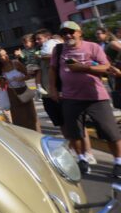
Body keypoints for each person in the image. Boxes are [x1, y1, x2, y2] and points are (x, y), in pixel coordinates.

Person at [50, 21, 121, 177]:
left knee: (110, 132)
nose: (68, 35)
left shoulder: (92, 47)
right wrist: (53, 89)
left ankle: (118, 162)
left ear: (79, 32)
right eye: (64, 33)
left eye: (71, 32)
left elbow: (106, 67)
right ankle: (82, 159)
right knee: (74, 133)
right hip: (70, 97)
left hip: (96, 97)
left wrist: (83, 68)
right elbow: (53, 70)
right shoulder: (59, 49)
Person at [0, 48, 40, 132]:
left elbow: (28, 75)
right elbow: (2, 85)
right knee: (18, 118)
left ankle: (36, 134)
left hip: (24, 91)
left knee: (31, 116)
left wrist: (21, 78)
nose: (6, 56)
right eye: (2, 55)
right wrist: (3, 82)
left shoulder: (16, 63)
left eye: (6, 53)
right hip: (12, 94)